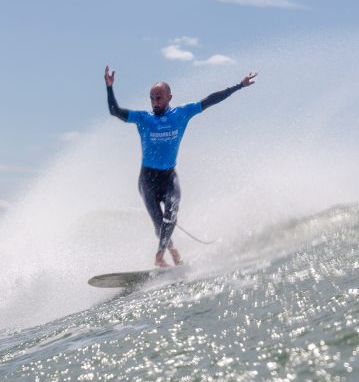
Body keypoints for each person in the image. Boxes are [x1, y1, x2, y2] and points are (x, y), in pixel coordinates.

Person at [105, 65, 257, 267]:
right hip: (147, 179)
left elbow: (210, 100)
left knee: (172, 212)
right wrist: (109, 87)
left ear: (169, 97)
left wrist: (239, 86)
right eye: (152, 98)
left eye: (159, 98)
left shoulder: (181, 114)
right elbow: (115, 111)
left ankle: (159, 256)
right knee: (159, 225)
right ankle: (172, 251)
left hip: (169, 176)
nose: (155, 102)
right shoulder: (143, 118)